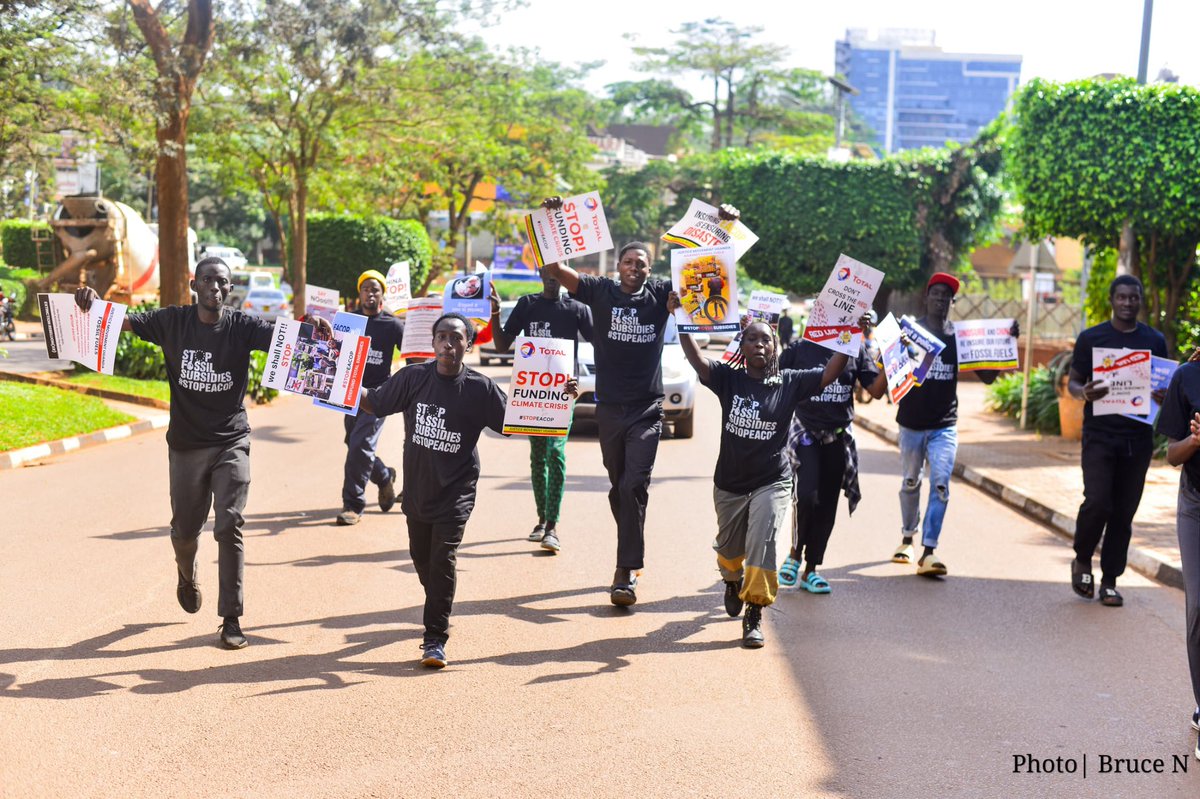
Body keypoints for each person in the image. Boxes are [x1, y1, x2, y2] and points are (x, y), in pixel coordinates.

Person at [74, 257, 284, 650]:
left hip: (230, 441)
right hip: (186, 446)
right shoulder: (173, 322)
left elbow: (288, 340)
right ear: (194, 285)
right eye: (208, 281)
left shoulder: (242, 327)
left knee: (229, 524)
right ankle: (186, 575)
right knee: (185, 532)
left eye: (222, 283)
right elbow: (124, 321)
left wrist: (319, 329)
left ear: (230, 288)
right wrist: (92, 302)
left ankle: (231, 617)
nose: (215, 289)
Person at [540, 196, 740, 606]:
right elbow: (555, 271)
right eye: (629, 262)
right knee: (620, 489)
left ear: (650, 271)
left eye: (642, 264)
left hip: (647, 410)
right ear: (618, 266)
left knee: (634, 484)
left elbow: (708, 267)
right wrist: (553, 219)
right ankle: (631, 548)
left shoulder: (664, 293)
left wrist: (725, 226)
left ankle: (625, 571)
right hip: (610, 409)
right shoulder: (598, 291)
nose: (635, 267)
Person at [360, 313, 578, 667]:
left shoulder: (480, 388)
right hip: (417, 491)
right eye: (442, 336)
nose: (449, 343)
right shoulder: (413, 378)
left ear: (468, 345)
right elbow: (376, 401)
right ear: (432, 343)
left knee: (442, 561)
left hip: (456, 492)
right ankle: (439, 603)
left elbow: (519, 420)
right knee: (423, 560)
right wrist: (341, 380)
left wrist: (560, 399)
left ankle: (434, 639)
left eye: (457, 338)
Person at [671, 298, 853, 647]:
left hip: (772, 479)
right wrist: (680, 317)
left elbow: (830, 373)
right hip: (730, 482)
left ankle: (754, 612)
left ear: (775, 347)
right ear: (742, 345)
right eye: (752, 338)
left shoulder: (790, 382)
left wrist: (851, 337)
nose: (759, 344)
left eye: (765, 339)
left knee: (763, 541)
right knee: (729, 549)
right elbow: (696, 359)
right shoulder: (728, 379)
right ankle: (730, 580)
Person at [889, 272, 1014, 577]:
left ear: (952, 302)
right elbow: (891, 373)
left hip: (945, 425)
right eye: (936, 294)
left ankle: (929, 551)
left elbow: (987, 377)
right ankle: (907, 537)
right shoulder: (911, 333)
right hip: (911, 424)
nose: (941, 300)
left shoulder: (959, 338)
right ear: (926, 298)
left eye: (947, 296)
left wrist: (1004, 343)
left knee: (941, 484)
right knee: (910, 482)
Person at [1067, 274, 1168, 606]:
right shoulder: (1091, 338)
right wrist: (1084, 392)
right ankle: (1083, 559)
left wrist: (1162, 394)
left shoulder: (1154, 340)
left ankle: (1110, 579)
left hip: (1137, 439)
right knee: (1098, 501)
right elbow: (1074, 383)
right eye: (1122, 297)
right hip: (1099, 435)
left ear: (1140, 300)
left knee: (1124, 512)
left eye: (1134, 297)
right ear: (1112, 300)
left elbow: (1164, 384)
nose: (1128, 303)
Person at [487, 266, 593, 553]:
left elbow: (602, 345)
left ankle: (552, 526)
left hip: (562, 394)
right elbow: (501, 345)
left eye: (558, 269)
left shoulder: (578, 309)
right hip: (532, 394)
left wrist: (578, 382)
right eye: (547, 269)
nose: (552, 276)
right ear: (540, 273)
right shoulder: (527, 305)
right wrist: (495, 313)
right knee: (537, 456)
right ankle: (541, 520)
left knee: (555, 452)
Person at [778, 320, 887, 593]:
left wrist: (889, 359)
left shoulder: (855, 349)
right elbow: (770, 377)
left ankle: (812, 569)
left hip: (838, 437)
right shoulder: (800, 349)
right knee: (806, 496)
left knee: (827, 504)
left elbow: (875, 391)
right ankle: (793, 554)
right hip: (805, 434)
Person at [336, 270, 405, 526]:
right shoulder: (348, 321)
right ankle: (385, 476)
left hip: (378, 396)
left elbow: (412, 352)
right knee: (353, 442)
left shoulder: (392, 324)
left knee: (361, 444)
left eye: (375, 289)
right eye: (366, 288)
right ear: (360, 293)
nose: (370, 293)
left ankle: (353, 504)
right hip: (349, 391)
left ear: (382, 294)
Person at [1157, 363, 1200, 762]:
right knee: (1199, 606)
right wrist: (1195, 440)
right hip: (1196, 507)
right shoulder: (1188, 377)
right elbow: (1172, 454)